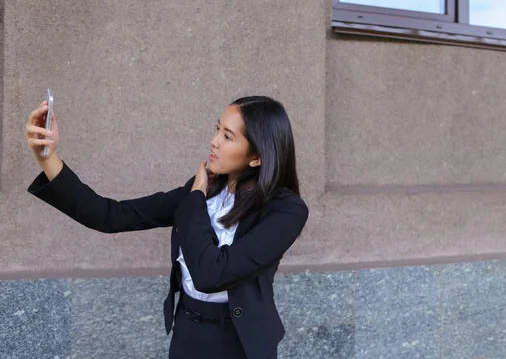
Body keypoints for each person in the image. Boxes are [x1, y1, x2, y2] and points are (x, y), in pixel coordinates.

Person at [24, 95, 309, 359]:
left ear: (256, 157)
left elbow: (212, 273)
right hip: (188, 330)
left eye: (227, 136)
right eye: (217, 129)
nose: (213, 141)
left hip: (241, 342)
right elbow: (109, 215)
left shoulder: (286, 211)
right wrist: (47, 157)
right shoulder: (203, 189)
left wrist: (196, 199)